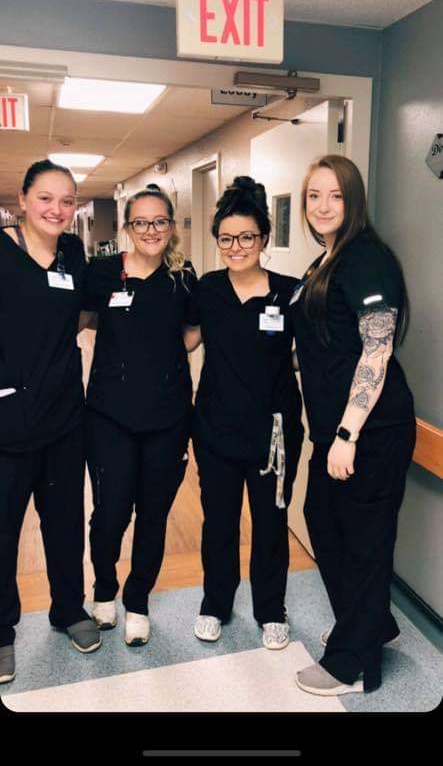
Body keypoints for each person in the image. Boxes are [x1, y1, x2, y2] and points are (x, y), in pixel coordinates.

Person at [289, 154, 416, 696]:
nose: (323, 206)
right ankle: (371, 625)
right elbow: (326, 343)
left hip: (370, 431)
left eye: (336, 195)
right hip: (334, 430)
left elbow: (376, 350)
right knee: (321, 518)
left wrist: (347, 433)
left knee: (363, 541)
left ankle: (352, 663)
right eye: (314, 195)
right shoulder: (326, 260)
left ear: (354, 200)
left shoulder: (366, 257)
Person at [184, 176, 304, 650]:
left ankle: (271, 608)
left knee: (271, 523)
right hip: (216, 427)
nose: (236, 247)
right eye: (226, 238)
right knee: (219, 521)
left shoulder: (289, 293)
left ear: (264, 238)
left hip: (273, 433)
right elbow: (185, 341)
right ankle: (216, 603)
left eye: (246, 237)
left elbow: (309, 353)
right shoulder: (208, 289)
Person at [83, 184, 198, 646]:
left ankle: (138, 602)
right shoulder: (102, 272)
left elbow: (193, 332)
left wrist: (161, 358)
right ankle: (104, 590)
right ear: (128, 227)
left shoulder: (182, 277)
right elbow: (79, 321)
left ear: (171, 226)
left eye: (160, 221)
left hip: (168, 418)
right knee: (110, 513)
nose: (151, 230)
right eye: (141, 222)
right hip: (109, 415)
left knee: (153, 514)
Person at [0, 160, 101, 686]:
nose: (56, 209)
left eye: (66, 200)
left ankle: (68, 608)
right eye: (45, 198)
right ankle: (1, 630)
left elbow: (79, 315)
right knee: (3, 529)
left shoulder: (73, 252)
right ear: (22, 199)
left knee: (64, 521)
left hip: (64, 414)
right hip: (7, 419)